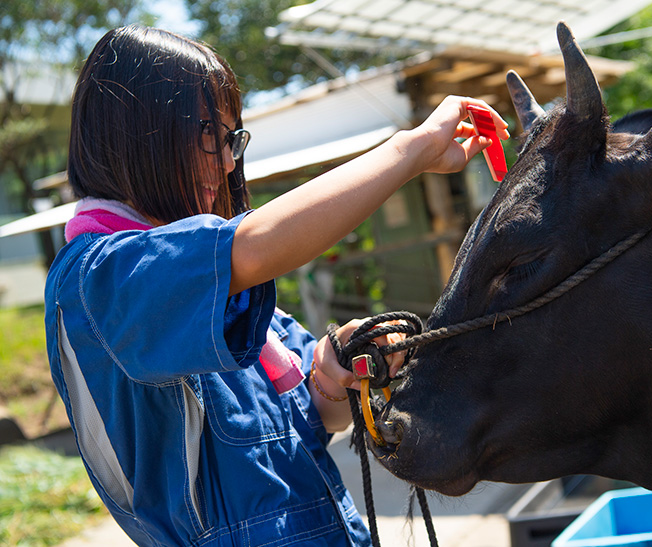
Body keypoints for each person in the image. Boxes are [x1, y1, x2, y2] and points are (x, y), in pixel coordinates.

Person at [44, 24, 508, 547]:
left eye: (231, 140)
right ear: (136, 134)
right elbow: (256, 243)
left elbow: (323, 414)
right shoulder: (97, 280)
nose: (224, 162)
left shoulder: (228, 295)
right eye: (207, 135)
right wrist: (412, 149)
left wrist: (338, 368)